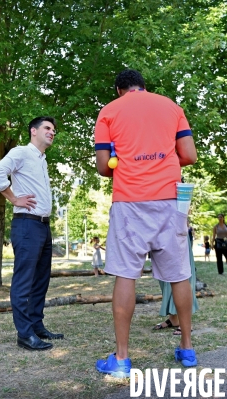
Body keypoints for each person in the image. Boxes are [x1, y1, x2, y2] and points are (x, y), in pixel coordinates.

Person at [94, 69, 198, 377]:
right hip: (170, 201)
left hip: (129, 202)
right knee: (179, 274)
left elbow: (103, 167)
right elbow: (189, 155)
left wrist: (126, 159)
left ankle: (122, 359)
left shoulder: (109, 112)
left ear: (119, 90)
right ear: (145, 86)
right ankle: (188, 348)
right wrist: (159, 160)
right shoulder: (171, 106)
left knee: (126, 274)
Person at [0, 116, 64, 351]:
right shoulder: (21, 152)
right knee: (24, 281)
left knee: (40, 280)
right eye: (47, 128)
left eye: (54, 129)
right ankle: (24, 334)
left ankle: (36, 325)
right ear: (34, 131)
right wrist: (13, 198)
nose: (52, 132)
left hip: (43, 225)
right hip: (26, 224)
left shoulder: (42, 159)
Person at [153, 230, 200, 336]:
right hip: (157, 227)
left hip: (175, 226)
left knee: (180, 274)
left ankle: (186, 323)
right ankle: (173, 318)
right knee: (163, 277)